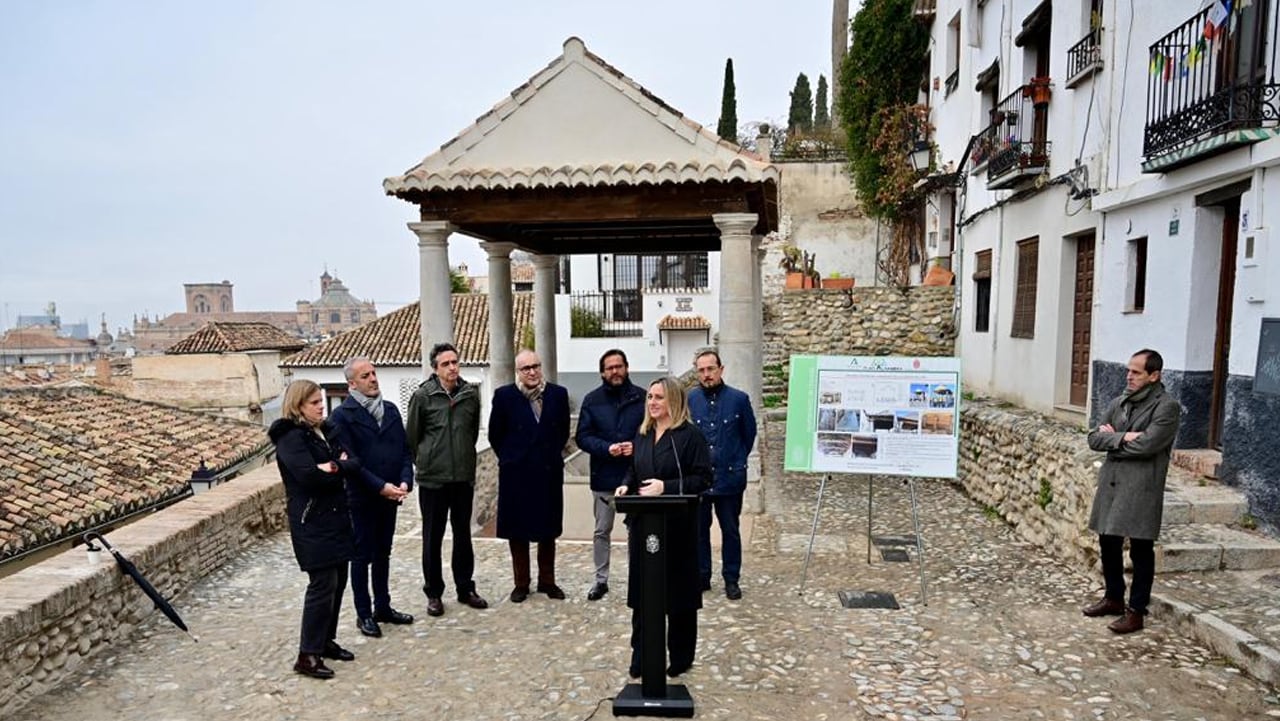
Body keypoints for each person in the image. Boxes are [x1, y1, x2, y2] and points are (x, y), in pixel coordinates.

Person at [614, 376, 711, 679]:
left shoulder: (690, 436)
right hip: (644, 525)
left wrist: (665, 487)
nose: (652, 402)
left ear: (674, 401)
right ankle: (641, 654)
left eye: (658, 397)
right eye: (650, 397)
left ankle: (681, 655)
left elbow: (703, 479)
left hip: (678, 527)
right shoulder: (642, 434)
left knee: (678, 593)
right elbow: (634, 469)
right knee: (644, 592)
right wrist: (625, 486)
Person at [1084, 348, 1182, 634]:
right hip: (1113, 483)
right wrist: (1124, 436)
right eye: (1129, 370)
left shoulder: (1166, 407)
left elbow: (1148, 446)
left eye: (1136, 372)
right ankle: (1113, 598)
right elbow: (1093, 438)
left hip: (1142, 487)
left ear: (1154, 375)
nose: (1129, 376)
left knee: (1141, 549)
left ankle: (1136, 611)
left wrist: (1112, 440)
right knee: (1108, 543)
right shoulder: (1120, 402)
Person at [268, 379, 360, 680]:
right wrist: (336, 466)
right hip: (312, 523)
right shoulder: (291, 438)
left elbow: (354, 461)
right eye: (315, 403)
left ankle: (325, 641)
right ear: (298, 406)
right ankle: (307, 655)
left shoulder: (326, 431)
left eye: (322, 401)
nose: (322, 407)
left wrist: (332, 467)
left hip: (335, 519)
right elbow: (308, 478)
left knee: (339, 581)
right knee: (322, 586)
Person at [329, 357, 414, 638]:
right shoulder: (342, 417)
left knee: (383, 554)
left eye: (374, 373)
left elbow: (404, 451)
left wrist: (404, 480)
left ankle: (383, 607)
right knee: (361, 556)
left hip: (390, 496)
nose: (373, 379)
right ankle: (363, 613)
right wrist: (380, 487)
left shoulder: (389, 411)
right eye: (366, 376)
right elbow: (351, 463)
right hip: (361, 498)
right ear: (352, 384)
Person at [406, 342, 488, 617]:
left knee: (463, 535)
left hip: (462, 478)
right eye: (446, 364)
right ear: (435, 368)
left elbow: (471, 433)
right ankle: (434, 593)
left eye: (455, 362)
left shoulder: (469, 395)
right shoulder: (423, 397)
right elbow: (413, 438)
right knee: (432, 538)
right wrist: (429, 462)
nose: (452, 367)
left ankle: (466, 588)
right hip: (433, 481)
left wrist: (462, 460)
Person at [488, 349, 571, 603]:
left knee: (548, 529)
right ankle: (521, 583)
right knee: (518, 531)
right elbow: (495, 434)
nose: (532, 372)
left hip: (547, 472)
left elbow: (563, 431)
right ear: (518, 372)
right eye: (526, 368)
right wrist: (513, 458)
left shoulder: (558, 394)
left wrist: (546, 454)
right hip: (517, 474)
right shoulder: (504, 397)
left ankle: (547, 581)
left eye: (536, 366)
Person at [575, 349, 646, 601]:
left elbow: (652, 432)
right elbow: (582, 437)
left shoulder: (642, 398)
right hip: (604, 475)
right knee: (601, 531)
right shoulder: (592, 400)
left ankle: (638, 576)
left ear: (627, 367)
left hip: (635, 474)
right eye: (610, 368)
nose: (615, 371)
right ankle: (600, 580)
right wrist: (606, 448)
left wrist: (636, 446)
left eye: (619, 366)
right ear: (602, 372)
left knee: (636, 530)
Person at [688, 349, 757, 601]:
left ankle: (731, 579)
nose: (706, 375)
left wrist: (735, 458)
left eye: (711, 369)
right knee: (699, 531)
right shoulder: (690, 400)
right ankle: (702, 576)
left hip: (729, 479)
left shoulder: (739, 399)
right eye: (702, 370)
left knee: (730, 530)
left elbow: (748, 435)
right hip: (700, 481)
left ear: (721, 369)